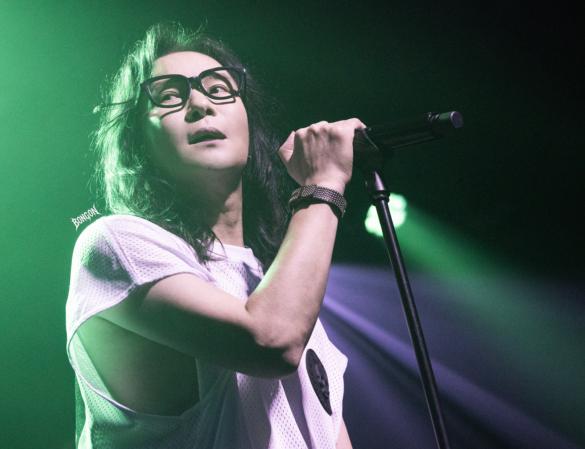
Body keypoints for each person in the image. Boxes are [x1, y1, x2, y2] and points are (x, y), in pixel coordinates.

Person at [66, 22, 364, 448]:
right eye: (169, 95)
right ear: (136, 140)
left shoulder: (280, 290)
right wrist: (323, 184)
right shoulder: (116, 243)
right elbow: (272, 341)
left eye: (220, 88)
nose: (201, 103)